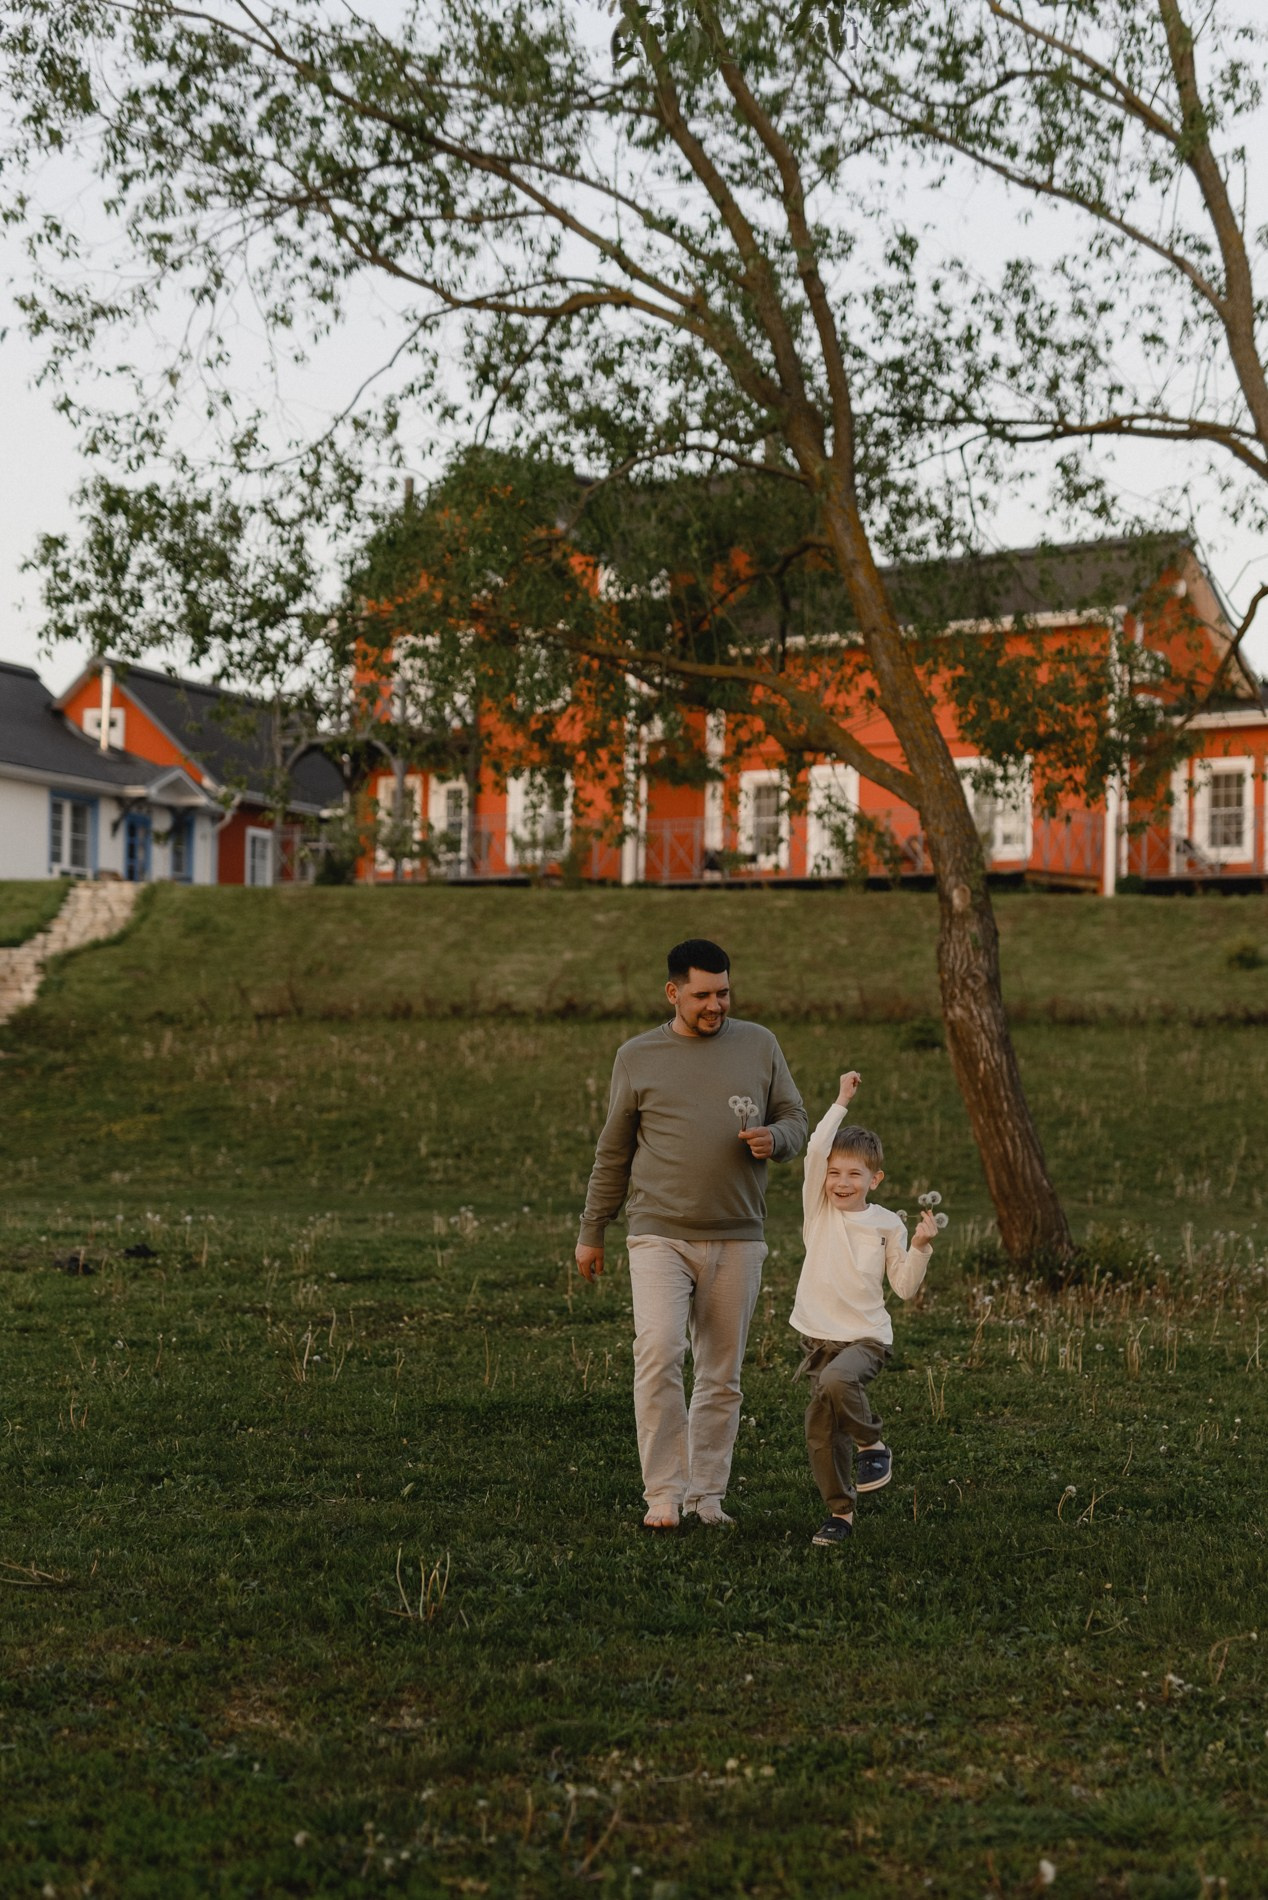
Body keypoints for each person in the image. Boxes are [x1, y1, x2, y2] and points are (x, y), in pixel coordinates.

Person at [575, 938, 807, 1531]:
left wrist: (775, 1141)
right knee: (658, 1354)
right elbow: (613, 1150)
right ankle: (662, 1494)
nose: (715, 1005)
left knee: (721, 1374)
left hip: (738, 1236)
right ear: (673, 992)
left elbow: (795, 1119)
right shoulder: (637, 1056)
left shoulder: (760, 1044)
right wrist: (592, 1229)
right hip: (659, 1235)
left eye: (723, 992)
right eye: (702, 994)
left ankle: (707, 1497)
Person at [790, 1068, 939, 1549]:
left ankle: (873, 1444)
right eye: (835, 1173)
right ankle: (841, 1514)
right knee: (819, 1434)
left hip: (866, 1338)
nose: (840, 1182)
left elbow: (905, 1289)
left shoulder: (886, 1225)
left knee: (839, 1381)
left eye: (854, 1174)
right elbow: (814, 1151)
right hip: (818, 1339)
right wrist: (841, 1100)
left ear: (875, 1179)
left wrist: (919, 1246)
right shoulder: (819, 1211)